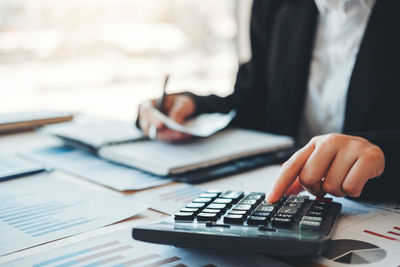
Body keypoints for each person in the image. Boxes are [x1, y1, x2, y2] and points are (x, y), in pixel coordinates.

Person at [138, 0, 400, 202]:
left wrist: (384, 154)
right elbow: (254, 100)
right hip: (284, 197)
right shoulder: (272, 4)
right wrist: (195, 108)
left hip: (375, 207)